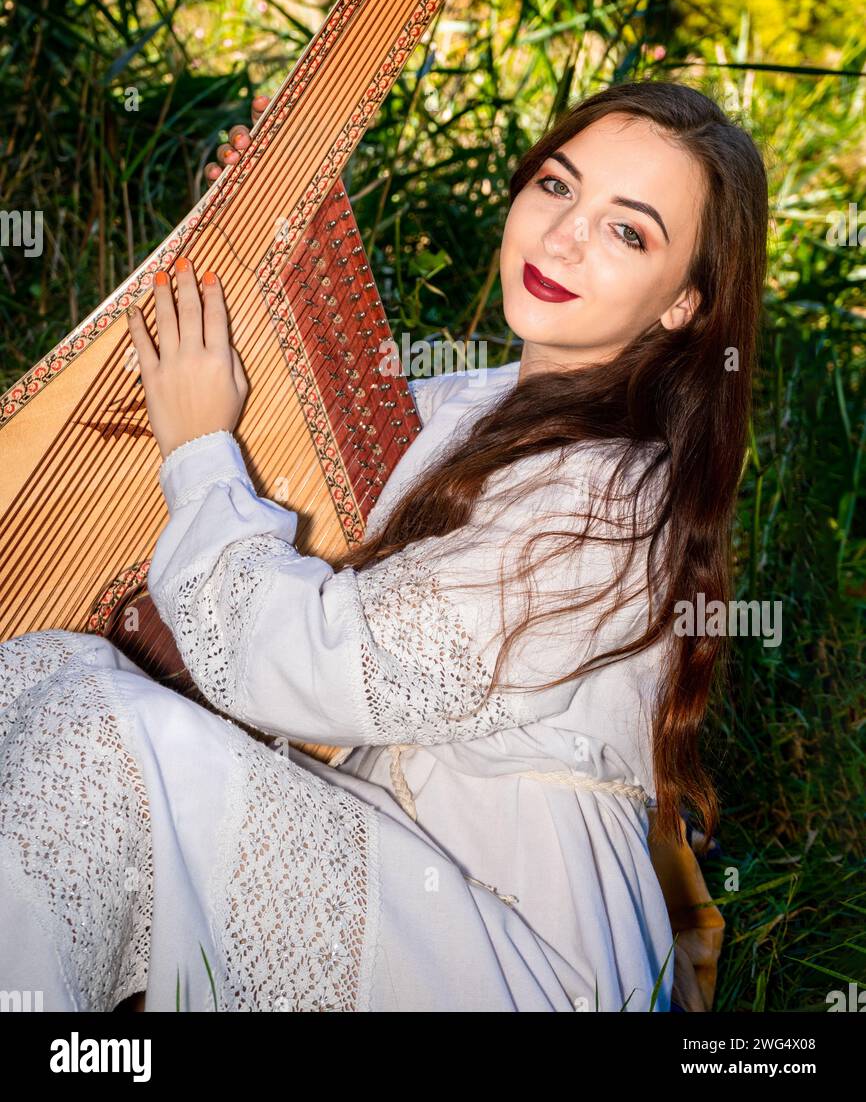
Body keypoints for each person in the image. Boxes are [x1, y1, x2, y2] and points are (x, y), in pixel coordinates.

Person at [0, 80, 766, 1012]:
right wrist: (267, 246)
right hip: (397, 851)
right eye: (559, 187)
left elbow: (324, 662)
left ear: (684, 303)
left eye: (627, 231)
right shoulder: (480, 401)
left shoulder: (614, 498)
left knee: (102, 739)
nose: (563, 237)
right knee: (41, 671)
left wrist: (200, 456)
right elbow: (334, 463)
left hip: (515, 948)